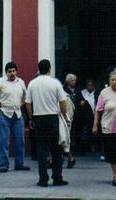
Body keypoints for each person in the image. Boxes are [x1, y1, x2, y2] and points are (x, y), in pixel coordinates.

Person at [26, 59, 70, 188]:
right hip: (53, 118)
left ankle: (43, 179)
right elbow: (63, 102)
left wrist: (31, 118)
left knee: (41, 150)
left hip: (39, 118)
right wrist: (64, 116)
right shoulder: (55, 83)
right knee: (57, 149)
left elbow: (28, 103)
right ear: (49, 68)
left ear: (39, 69)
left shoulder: (32, 84)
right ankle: (57, 177)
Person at [0, 62, 29, 173]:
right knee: (4, 140)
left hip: (17, 114)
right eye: (9, 71)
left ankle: (19, 164)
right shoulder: (0, 82)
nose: (12, 73)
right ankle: (4, 165)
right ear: (6, 72)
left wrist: (21, 104)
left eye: (14, 71)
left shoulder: (21, 82)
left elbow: (25, 96)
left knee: (20, 140)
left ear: (16, 71)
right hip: (4, 113)